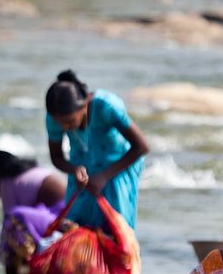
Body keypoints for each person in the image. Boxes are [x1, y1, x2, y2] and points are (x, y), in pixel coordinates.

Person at [44, 70, 149, 232]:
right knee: (74, 228)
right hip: (82, 172)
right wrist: (74, 169)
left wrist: (104, 176)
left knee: (116, 230)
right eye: (61, 123)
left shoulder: (106, 106)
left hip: (117, 169)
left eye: (70, 121)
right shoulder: (53, 119)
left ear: (84, 105)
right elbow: (56, 157)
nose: (65, 127)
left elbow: (142, 146)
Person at [0, 150, 68, 274]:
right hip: (62, 218)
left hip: (59, 220)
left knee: (12, 223)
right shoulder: (31, 172)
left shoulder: (7, 181)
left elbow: (8, 230)